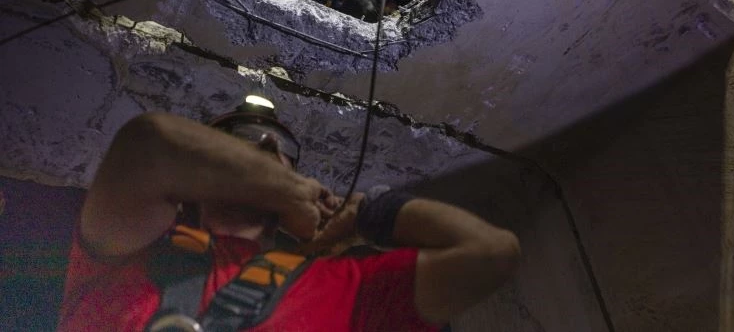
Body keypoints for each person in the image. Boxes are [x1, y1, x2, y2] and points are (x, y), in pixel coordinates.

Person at [57, 96, 521, 331]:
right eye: (241, 138)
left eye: (278, 146)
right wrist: (295, 190)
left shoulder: (345, 283)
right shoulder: (131, 247)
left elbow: (490, 254)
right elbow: (149, 145)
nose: (266, 142)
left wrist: (366, 213)